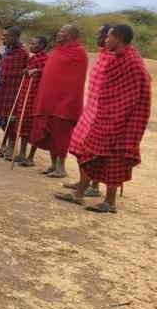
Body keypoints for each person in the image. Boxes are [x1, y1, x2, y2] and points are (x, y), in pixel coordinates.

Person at [55, 25, 151, 213]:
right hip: (105, 116)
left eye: (108, 37)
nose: (105, 40)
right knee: (90, 155)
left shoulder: (132, 62)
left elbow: (138, 94)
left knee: (112, 159)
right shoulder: (120, 58)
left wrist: (118, 117)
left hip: (120, 121)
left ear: (119, 38)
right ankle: (78, 194)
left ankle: (109, 203)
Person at [61, 25, 114, 197]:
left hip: (102, 112)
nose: (99, 37)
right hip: (90, 109)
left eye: (102, 35)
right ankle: (86, 181)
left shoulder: (115, 58)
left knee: (91, 151)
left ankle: (91, 187)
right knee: (78, 146)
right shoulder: (103, 54)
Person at [30, 25, 89, 178]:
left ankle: (61, 168)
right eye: (60, 31)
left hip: (65, 103)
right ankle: (53, 165)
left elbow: (75, 79)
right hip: (49, 99)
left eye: (63, 32)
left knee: (61, 136)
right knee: (49, 132)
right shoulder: (58, 50)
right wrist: (40, 72)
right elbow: (54, 71)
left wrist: (66, 101)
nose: (59, 33)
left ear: (71, 35)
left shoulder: (79, 53)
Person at [0, 27, 29, 159]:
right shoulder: (8, 51)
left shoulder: (23, 53)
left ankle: (11, 147)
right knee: (5, 119)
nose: (4, 39)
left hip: (16, 92)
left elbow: (26, 71)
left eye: (7, 37)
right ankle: (5, 145)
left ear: (15, 37)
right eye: (3, 36)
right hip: (3, 89)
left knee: (13, 120)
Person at [14, 36, 49, 166]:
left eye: (34, 44)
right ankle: (22, 153)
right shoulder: (32, 57)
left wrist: (38, 71)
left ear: (42, 46)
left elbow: (48, 73)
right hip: (25, 94)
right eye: (31, 43)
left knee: (33, 126)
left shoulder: (46, 59)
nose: (31, 45)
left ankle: (30, 157)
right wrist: (26, 71)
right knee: (23, 123)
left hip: (36, 96)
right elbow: (28, 71)